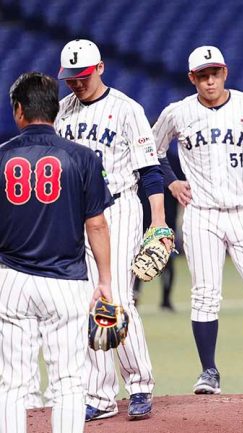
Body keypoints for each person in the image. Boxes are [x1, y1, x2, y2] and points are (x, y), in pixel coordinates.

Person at [152, 45, 243, 395]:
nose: (209, 81)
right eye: (202, 75)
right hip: (201, 215)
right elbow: (152, 149)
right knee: (205, 295)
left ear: (225, 73)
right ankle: (209, 372)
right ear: (192, 78)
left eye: (215, 73)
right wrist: (171, 180)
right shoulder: (177, 113)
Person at [55, 39, 168, 421]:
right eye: (70, 78)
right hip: (75, 215)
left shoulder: (127, 110)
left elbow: (150, 171)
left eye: (83, 76)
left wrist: (158, 220)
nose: (77, 83)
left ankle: (139, 385)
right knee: (87, 302)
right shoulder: (62, 113)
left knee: (115, 296)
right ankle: (100, 396)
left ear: (100, 68)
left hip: (118, 207)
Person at [0, 72, 112, 433]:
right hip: (66, 283)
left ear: (18, 111)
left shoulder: (1, 158)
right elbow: (96, 225)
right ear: (55, 111)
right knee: (68, 382)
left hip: (11, 281)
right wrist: (106, 282)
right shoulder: (82, 158)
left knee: (13, 384)